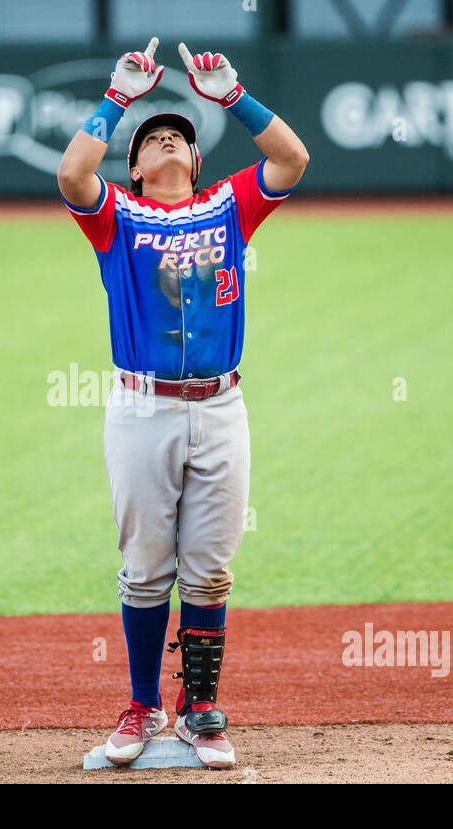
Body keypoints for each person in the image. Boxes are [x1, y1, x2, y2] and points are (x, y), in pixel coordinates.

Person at [57, 39, 308, 768]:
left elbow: (292, 161)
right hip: (142, 409)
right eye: (152, 139)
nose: (169, 138)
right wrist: (118, 97)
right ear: (133, 166)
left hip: (222, 406)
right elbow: (73, 172)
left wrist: (234, 97)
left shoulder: (229, 205)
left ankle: (201, 713)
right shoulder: (118, 216)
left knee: (209, 569)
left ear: (197, 163)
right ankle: (143, 706)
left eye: (182, 136)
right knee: (144, 569)